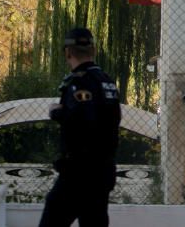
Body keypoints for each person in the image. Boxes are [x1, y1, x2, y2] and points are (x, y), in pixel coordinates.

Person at [39, 27, 121, 227]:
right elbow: (114, 118)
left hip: (79, 172)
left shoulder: (80, 82)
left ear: (68, 53)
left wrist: (57, 112)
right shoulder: (107, 81)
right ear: (93, 50)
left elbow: (84, 121)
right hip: (103, 169)